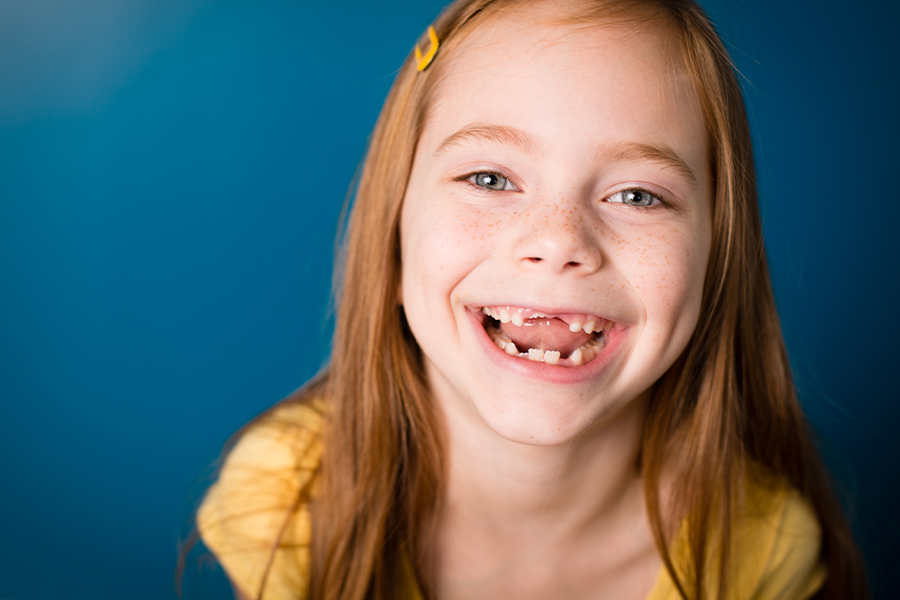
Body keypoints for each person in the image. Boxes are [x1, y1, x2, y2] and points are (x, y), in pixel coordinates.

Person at [189, 0, 868, 598]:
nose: (557, 241)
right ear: (393, 243)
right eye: (488, 177)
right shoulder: (292, 500)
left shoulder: (756, 551)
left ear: (715, 266)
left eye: (637, 195)